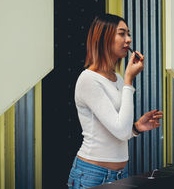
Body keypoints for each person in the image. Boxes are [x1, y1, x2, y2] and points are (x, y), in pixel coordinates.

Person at [67, 14, 163, 188]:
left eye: (129, 34)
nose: (129, 39)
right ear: (104, 38)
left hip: (120, 174)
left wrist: (135, 128)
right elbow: (120, 130)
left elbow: (121, 130)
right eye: (122, 33)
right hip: (92, 174)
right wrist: (129, 80)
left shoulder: (117, 79)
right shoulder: (88, 79)